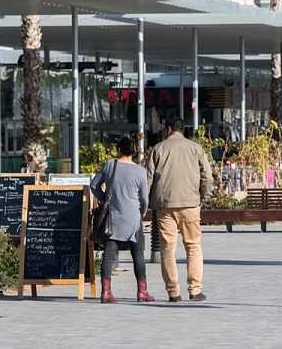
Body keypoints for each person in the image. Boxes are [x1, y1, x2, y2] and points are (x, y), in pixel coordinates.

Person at [146, 118, 213, 302]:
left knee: (168, 248)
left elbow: (148, 179)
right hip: (190, 204)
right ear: (183, 130)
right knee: (193, 246)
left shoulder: (158, 149)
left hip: (165, 206)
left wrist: (146, 203)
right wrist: (202, 198)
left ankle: (173, 292)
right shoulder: (196, 148)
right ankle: (195, 289)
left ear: (168, 129)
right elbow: (207, 177)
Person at [90, 136, 154, 304]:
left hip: (114, 218)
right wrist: (142, 212)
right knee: (138, 254)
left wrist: (104, 199)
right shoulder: (140, 171)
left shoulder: (110, 165)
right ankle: (142, 292)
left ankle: (106, 292)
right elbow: (145, 199)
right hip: (133, 218)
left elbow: (94, 185)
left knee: (109, 254)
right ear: (134, 151)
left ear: (119, 149)